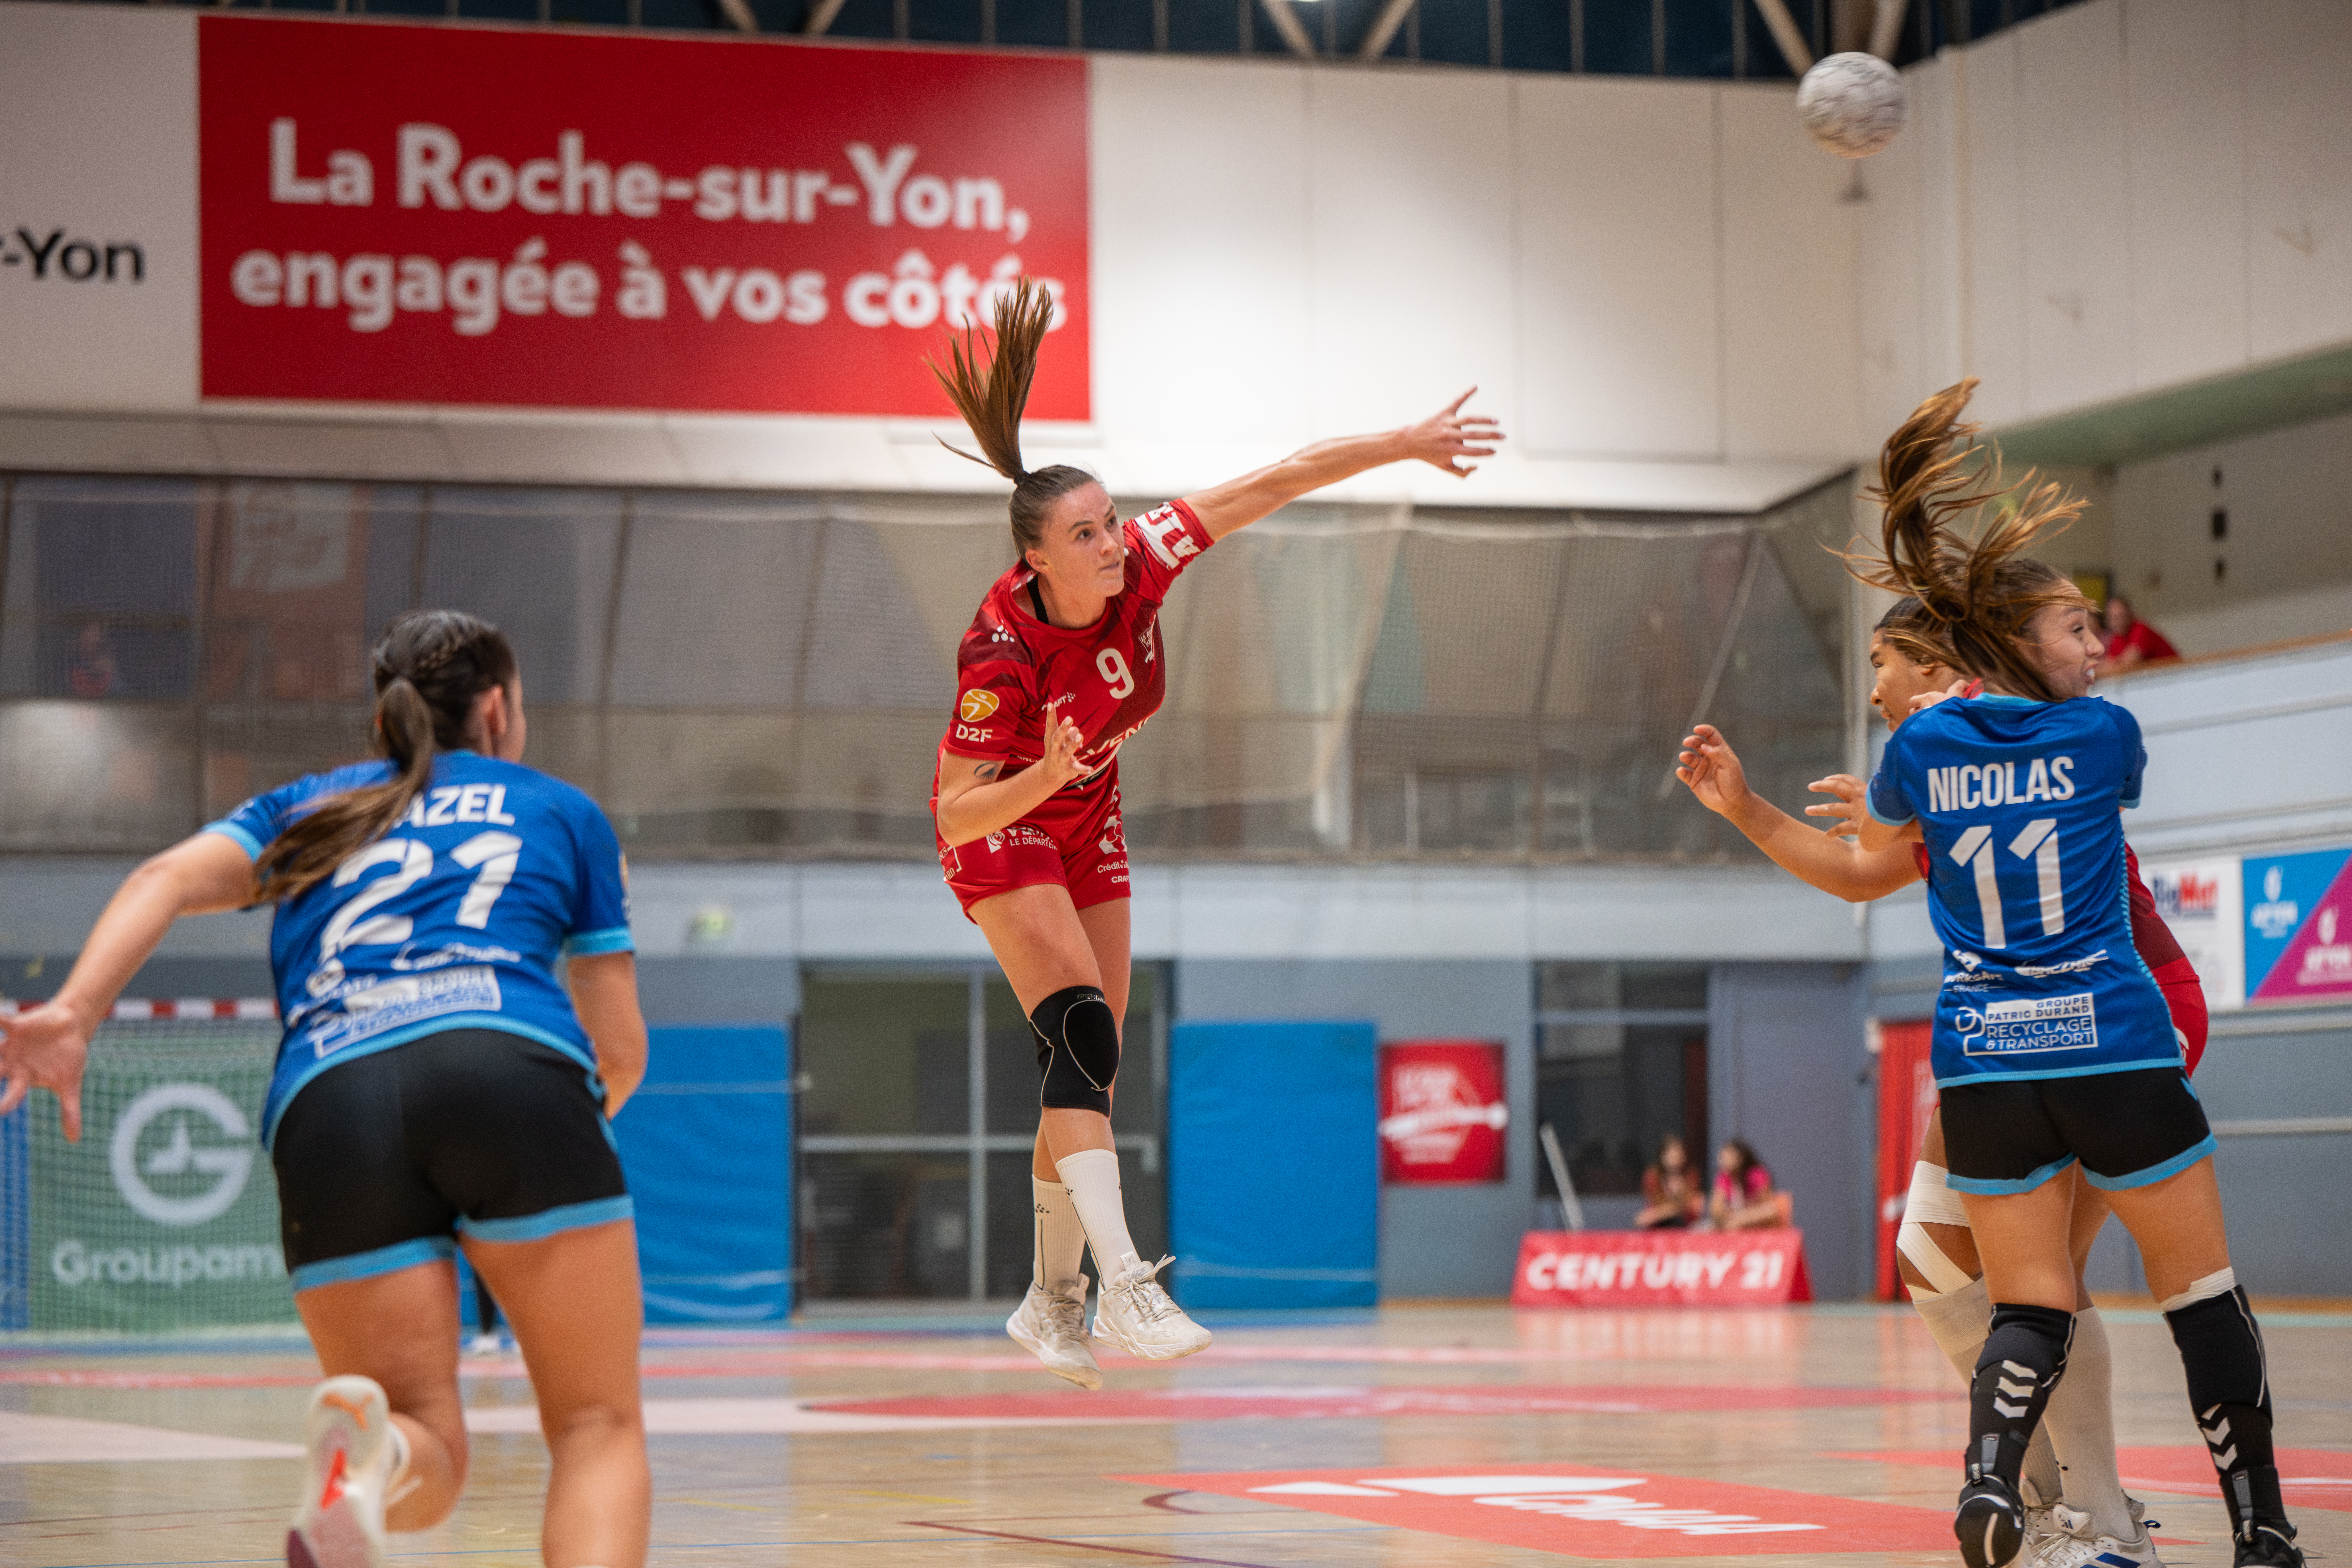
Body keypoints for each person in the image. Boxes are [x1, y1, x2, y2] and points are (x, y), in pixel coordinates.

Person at [927, 282, 1500, 1389]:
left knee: (1083, 1066)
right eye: (1083, 534)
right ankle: (1125, 1281)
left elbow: (1278, 479)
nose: (1109, 541)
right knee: (1083, 1030)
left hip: (1086, 813)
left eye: (1109, 519)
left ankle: (1049, 1304)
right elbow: (954, 807)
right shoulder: (998, 651)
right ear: (1037, 560)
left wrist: (1405, 441)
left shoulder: (1145, 558)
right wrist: (1037, 773)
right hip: (1002, 830)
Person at [0, 610, 651, 1568]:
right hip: (506, 1061)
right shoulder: (557, 808)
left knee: (422, 1429)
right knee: (597, 1422)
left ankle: (374, 1456)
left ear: (382, 715)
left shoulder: (308, 808)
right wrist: (550, 1143)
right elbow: (620, 1046)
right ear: (500, 709)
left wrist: (74, 1012)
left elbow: (165, 876)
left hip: (330, 1100)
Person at [1846, 380, 2299, 1568]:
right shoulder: (2104, 737)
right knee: (2193, 1289)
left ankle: (2035, 1494)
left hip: (2000, 1042)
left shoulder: (1920, 750)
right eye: (2082, 630)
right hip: (2111, 1027)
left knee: (2017, 1295)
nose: (2103, 648)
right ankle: (2255, 1528)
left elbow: (1878, 852)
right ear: (2018, 646)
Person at [1677, 592, 2209, 1568]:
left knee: (2032, 1281)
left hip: (2121, 1012)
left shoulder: (2000, 738)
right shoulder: (1937, 752)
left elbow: (1873, 865)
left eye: (1881, 658)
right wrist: (1744, 807)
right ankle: (2064, 1498)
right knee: (1930, 1262)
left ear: (1930, 662)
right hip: (2018, 1024)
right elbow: (1857, 874)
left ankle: (2098, 1520)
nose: (1871, 683)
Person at [1708, 1138, 1789, 1230]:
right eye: (1722, 1157)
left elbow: (1770, 1211)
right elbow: (1715, 1211)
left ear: (1741, 1158)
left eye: (1729, 1156)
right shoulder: (1724, 1177)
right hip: (1740, 1232)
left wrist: (1742, 1218)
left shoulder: (1755, 1175)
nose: (1723, 1161)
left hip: (1761, 1231)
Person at [1635, 1134, 1704, 1229]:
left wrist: (1665, 1211)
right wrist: (1674, 1209)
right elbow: (1644, 1219)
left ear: (1684, 1156)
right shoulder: (1654, 1177)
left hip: (1685, 1231)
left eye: (1678, 1154)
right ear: (1662, 1156)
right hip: (1659, 1231)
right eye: (1670, 1155)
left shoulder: (1691, 1177)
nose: (1675, 1159)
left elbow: (1695, 1208)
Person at [2102, 593, 2178, 671]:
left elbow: (2128, 663)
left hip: (2176, 675)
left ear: (2130, 614)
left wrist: (2115, 663)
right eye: (2114, 618)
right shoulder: (2117, 638)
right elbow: (2109, 664)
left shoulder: (2141, 629)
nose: (2119, 622)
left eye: (2122, 617)